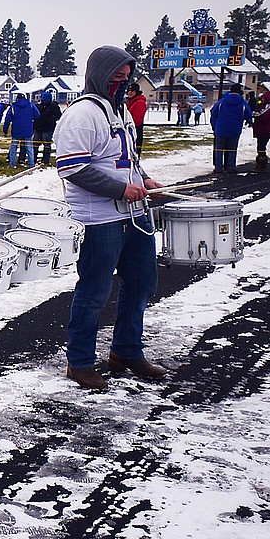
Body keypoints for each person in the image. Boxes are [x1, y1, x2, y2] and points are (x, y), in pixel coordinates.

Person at [54, 45, 165, 391]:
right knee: (95, 291)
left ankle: (127, 350)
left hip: (134, 215)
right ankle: (80, 362)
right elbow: (71, 167)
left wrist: (144, 179)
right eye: (115, 77)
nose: (122, 82)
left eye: (126, 77)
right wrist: (120, 190)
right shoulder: (81, 114)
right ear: (99, 75)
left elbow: (127, 158)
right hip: (99, 219)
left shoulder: (121, 112)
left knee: (142, 282)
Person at [209, 83, 253, 173]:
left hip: (220, 128)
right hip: (235, 129)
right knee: (232, 148)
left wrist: (214, 125)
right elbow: (248, 114)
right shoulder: (242, 103)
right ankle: (230, 166)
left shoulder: (222, 101)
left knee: (219, 149)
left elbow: (213, 112)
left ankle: (218, 167)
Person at [3, 91, 39, 167]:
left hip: (16, 130)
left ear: (17, 98)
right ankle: (31, 164)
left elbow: (7, 119)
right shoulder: (31, 105)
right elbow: (37, 115)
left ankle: (12, 164)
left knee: (14, 147)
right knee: (29, 147)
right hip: (28, 129)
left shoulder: (13, 107)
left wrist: (5, 130)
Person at [249, 88, 270, 171]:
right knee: (260, 146)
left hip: (266, 130)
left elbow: (262, 116)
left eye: (263, 98)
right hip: (262, 130)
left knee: (261, 147)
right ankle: (260, 163)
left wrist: (252, 114)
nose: (262, 100)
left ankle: (262, 164)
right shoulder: (265, 106)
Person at [32, 90, 63, 165]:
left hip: (48, 128)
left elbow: (58, 116)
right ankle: (33, 159)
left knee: (47, 145)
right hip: (38, 128)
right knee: (35, 144)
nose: (42, 100)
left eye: (44, 99)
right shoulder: (38, 106)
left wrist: (50, 119)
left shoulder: (54, 107)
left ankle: (45, 160)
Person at [124, 82, 148, 153]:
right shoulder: (130, 102)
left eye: (132, 91)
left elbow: (137, 120)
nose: (130, 92)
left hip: (135, 131)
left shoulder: (139, 102)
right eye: (129, 90)